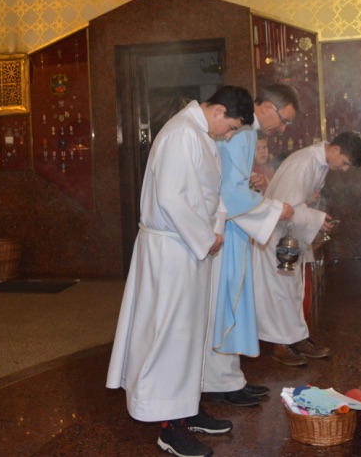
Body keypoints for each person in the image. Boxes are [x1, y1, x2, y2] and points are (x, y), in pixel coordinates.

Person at [107, 85, 253, 457]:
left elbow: (211, 194)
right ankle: (169, 428)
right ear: (218, 111)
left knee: (190, 334)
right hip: (171, 250)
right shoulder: (180, 134)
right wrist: (205, 238)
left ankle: (187, 407)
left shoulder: (199, 134)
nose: (229, 135)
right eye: (231, 127)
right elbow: (172, 198)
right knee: (170, 336)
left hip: (189, 247)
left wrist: (214, 231)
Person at [205, 85, 298, 408]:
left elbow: (233, 182)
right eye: (284, 120)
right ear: (268, 107)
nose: (283, 128)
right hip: (226, 229)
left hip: (235, 227)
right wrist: (274, 209)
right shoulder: (241, 132)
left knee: (233, 302)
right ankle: (217, 381)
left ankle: (229, 378)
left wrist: (253, 184)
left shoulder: (247, 132)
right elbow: (228, 192)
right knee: (225, 304)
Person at [253, 131, 361, 366]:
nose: (344, 169)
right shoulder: (304, 163)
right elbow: (286, 207)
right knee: (280, 291)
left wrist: (312, 201)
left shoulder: (319, 163)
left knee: (293, 290)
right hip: (277, 236)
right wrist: (317, 218)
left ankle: (297, 338)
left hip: (289, 236)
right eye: (345, 163)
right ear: (335, 149)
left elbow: (300, 200)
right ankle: (281, 345)